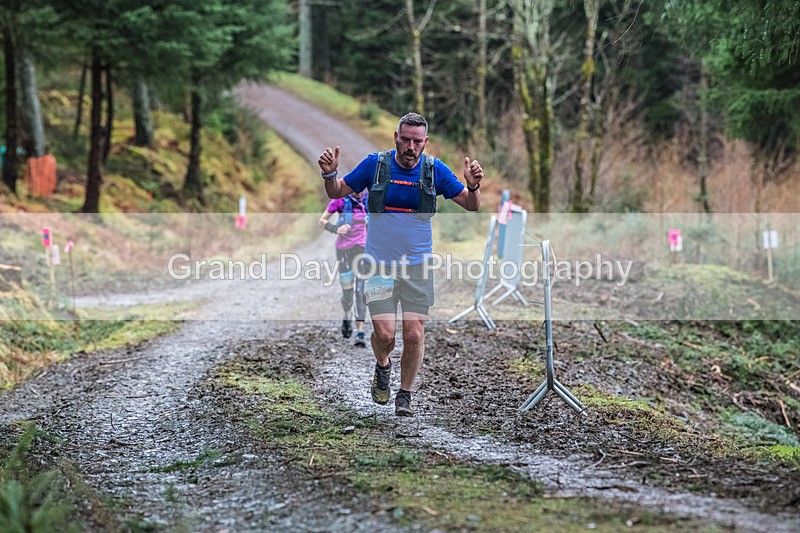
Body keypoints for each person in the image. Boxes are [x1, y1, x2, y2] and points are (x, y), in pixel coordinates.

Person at [318, 112, 483, 417]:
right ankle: (383, 365)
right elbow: (338, 191)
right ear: (396, 137)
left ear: (425, 142)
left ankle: (404, 394)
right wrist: (330, 175)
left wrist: (473, 188)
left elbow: (471, 205)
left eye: (416, 141)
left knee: (414, 334)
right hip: (379, 264)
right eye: (405, 139)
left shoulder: (435, 170)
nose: (410, 146)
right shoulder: (375, 165)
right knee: (384, 334)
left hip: (417, 266)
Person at [318, 189, 369, 347]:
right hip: (343, 250)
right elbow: (322, 220)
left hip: (364, 249)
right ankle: (347, 316)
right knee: (348, 291)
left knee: (361, 290)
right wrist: (336, 229)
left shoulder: (371, 200)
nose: (359, 194)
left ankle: (360, 332)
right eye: (356, 191)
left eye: (362, 191)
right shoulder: (340, 200)